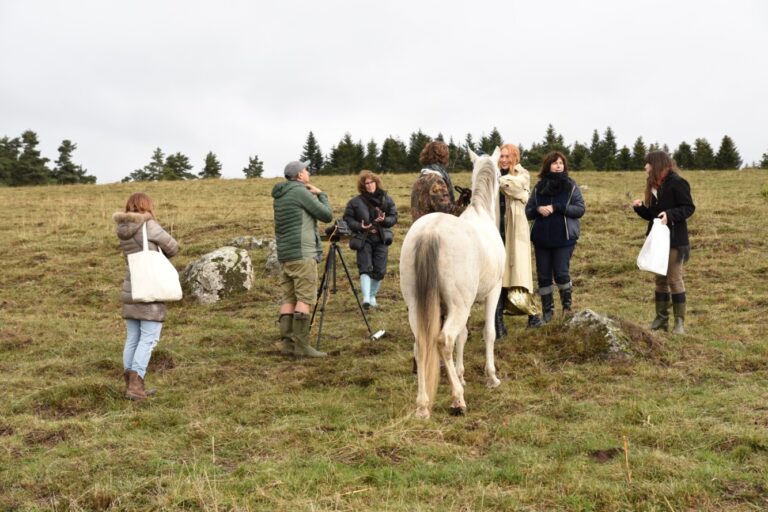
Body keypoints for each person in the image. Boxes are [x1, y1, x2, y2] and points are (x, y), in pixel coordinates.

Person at [114, 192, 179, 400]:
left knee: (133, 338)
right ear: (146, 206)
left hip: (131, 288)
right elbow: (173, 247)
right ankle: (136, 385)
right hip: (149, 288)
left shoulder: (122, 229)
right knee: (149, 339)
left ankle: (130, 384)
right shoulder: (148, 225)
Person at [272, 160, 334, 357]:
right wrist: (321, 194)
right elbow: (326, 215)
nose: (308, 172)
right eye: (306, 170)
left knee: (288, 298)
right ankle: (302, 346)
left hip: (285, 254)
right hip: (303, 254)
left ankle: (288, 345)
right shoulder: (300, 192)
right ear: (299, 175)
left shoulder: (280, 195)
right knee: (304, 298)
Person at [632, 150, 695, 334]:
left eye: (648, 163)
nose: (645, 167)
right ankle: (661, 320)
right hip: (657, 240)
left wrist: (670, 215)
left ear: (657, 164)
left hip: (675, 239)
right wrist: (640, 208)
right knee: (660, 279)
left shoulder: (678, 183)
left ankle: (679, 324)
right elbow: (653, 216)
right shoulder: (653, 186)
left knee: (674, 279)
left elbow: (689, 208)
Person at [525, 151, 585, 323]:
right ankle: (547, 314)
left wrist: (557, 207)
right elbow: (528, 211)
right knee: (543, 276)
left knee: (561, 273)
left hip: (564, 239)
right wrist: (538, 209)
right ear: (548, 166)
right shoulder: (539, 187)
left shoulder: (571, 186)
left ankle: (567, 310)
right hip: (541, 239)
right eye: (555, 163)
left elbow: (580, 209)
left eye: (561, 163)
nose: (558, 166)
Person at [495, 144, 542, 339]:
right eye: (501, 156)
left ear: (515, 157)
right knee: (498, 275)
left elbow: (514, 186)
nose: (504, 160)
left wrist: (496, 179)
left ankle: (533, 316)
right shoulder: (496, 173)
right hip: (497, 229)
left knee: (519, 273)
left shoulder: (523, 174)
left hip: (515, 231)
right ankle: (497, 322)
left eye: (507, 156)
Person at [343, 170, 398, 310]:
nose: (369, 185)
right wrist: (359, 226)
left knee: (380, 271)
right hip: (364, 238)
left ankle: (372, 296)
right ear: (363, 186)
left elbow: (394, 217)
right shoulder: (355, 202)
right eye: (366, 183)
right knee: (365, 267)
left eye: (371, 182)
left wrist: (384, 220)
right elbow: (347, 219)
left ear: (376, 183)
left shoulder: (386, 200)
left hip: (381, 238)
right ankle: (366, 298)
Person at [410, 141, 469, 222]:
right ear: (443, 157)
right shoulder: (436, 181)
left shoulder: (420, 179)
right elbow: (447, 211)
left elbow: (434, 206)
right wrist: (471, 209)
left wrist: (460, 201)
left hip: (420, 226)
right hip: (433, 228)